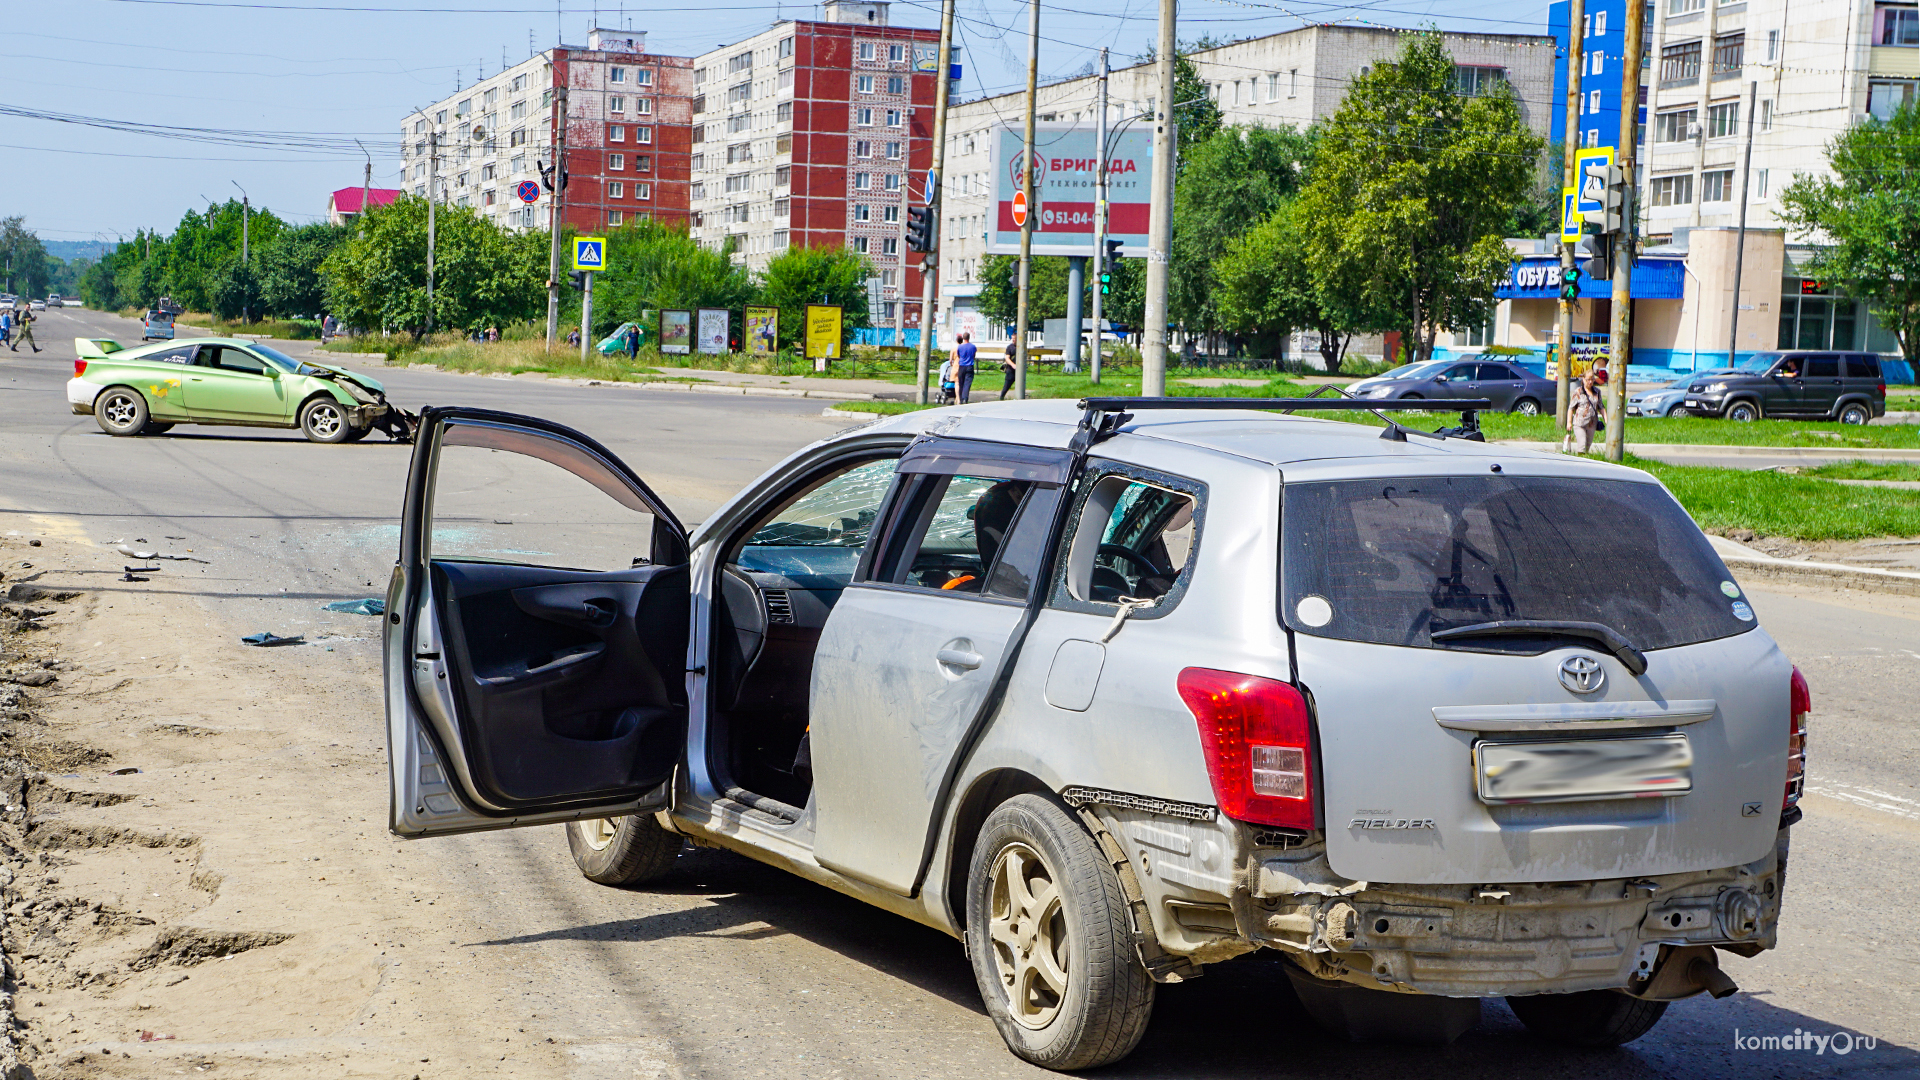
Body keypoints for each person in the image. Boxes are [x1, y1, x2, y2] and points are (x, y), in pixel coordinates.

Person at [1563, 370, 1598, 454]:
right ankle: (1580, 461)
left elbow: (1601, 407)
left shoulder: (1597, 392)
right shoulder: (1578, 392)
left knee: (1587, 447)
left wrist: (1607, 420)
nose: (1590, 382)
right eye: (1588, 379)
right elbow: (1571, 408)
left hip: (1592, 424)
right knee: (1582, 444)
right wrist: (1569, 422)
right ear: (1583, 379)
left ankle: (1584, 461)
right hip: (1579, 423)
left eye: (1592, 379)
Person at [952, 330, 977, 404]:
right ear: (969, 338)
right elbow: (974, 356)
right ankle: (965, 398)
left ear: (963, 338)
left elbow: (959, 356)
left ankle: (960, 398)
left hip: (962, 366)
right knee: (967, 383)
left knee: (961, 383)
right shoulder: (973, 346)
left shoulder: (960, 347)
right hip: (970, 366)